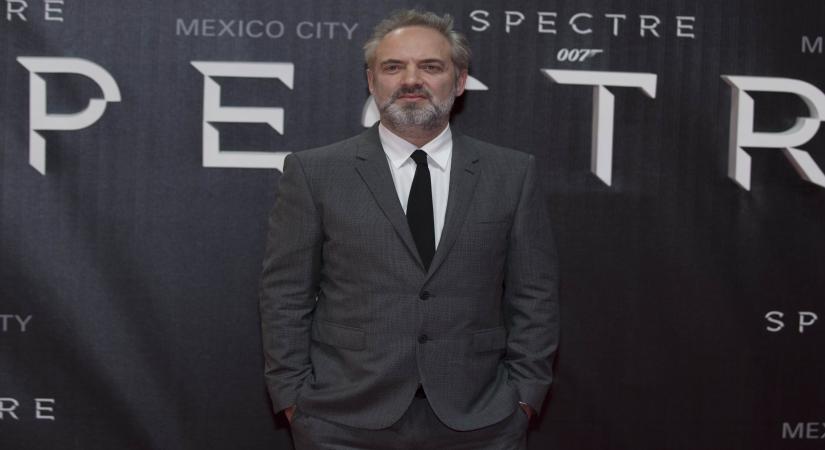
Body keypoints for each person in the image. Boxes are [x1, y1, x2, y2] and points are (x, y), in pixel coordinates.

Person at [259, 9, 559, 450]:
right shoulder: (315, 172)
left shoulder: (511, 174)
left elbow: (535, 295)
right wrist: (294, 398)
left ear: (458, 83)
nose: (411, 79)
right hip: (342, 421)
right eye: (393, 66)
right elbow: (285, 294)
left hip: (481, 420)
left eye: (431, 66)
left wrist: (525, 397)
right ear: (371, 81)